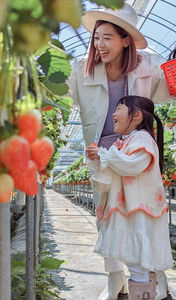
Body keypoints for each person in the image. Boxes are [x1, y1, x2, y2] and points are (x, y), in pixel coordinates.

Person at [66, 3, 175, 299]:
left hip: (136, 155)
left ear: (125, 38)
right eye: (96, 38)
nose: (99, 45)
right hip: (102, 156)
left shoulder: (147, 66)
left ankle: (156, 278)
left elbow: (170, 89)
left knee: (145, 215)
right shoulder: (81, 68)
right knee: (107, 217)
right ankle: (115, 280)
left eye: (107, 38)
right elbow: (59, 93)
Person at [86, 95, 173, 299]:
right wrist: (98, 160)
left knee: (139, 265)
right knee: (138, 264)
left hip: (138, 213)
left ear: (136, 115)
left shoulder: (142, 138)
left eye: (119, 108)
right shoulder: (121, 143)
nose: (114, 114)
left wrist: (104, 156)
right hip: (129, 213)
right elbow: (103, 183)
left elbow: (132, 166)